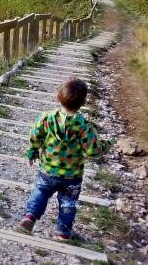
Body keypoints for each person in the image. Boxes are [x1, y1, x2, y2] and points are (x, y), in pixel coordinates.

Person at [17, 77, 112, 241]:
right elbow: (93, 151)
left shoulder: (46, 118)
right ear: (83, 102)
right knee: (68, 203)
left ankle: (30, 217)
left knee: (40, 192)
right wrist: (106, 144)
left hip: (47, 171)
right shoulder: (84, 126)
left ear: (57, 96)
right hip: (72, 177)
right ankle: (62, 232)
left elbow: (35, 135)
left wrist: (31, 152)